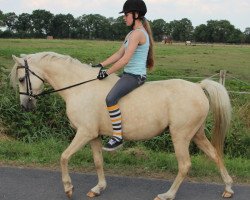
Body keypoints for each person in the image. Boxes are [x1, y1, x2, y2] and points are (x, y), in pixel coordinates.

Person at [95, 0, 155, 151]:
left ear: (135, 15)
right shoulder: (131, 33)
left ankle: (117, 137)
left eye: (126, 14)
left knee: (110, 98)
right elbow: (118, 54)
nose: (124, 17)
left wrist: (107, 73)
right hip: (128, 74)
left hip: (135, 76)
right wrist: (101, 65)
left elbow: (125, 59)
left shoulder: (138, 34)